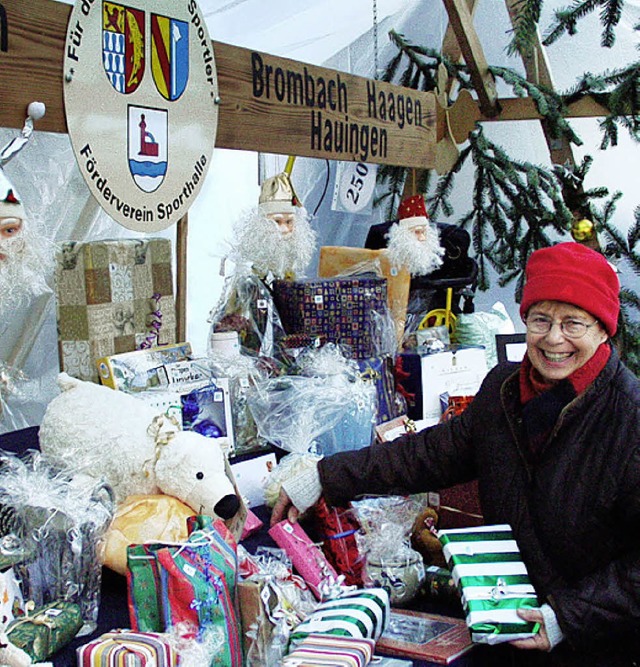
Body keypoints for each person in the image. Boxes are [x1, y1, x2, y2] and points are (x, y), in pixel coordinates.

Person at [271, 241, 640, 666]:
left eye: (573, 323)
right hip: (507, 630)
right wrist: (324, 476)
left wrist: (565, 618)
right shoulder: (503, 392)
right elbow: (426, 455)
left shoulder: (628, 418)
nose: (554, 338)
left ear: (602, 329)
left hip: (598, 648)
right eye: (541, 319)